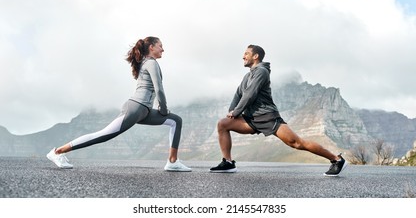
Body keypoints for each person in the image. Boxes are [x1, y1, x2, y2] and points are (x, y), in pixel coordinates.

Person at [47, 36, 191, 172]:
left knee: (176, 120)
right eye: (160, 46)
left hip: (144, 110)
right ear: (151, 47)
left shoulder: (147, 63)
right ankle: (57, 152)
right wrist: (164, 109)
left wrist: (162, 110)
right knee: (103, 135)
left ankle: (172, 162)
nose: (163, 49)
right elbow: (158, 88)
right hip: (135, 108)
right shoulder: (151, 63)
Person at [209, 44, 347, 176]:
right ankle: (228, 162)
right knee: (223, 124)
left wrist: (236, 112)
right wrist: (232, 111)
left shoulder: (262, 72)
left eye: (246, 53)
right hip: (251, 118)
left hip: (267, 117)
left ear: (256, 56)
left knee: (297, 143)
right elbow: (239, 94)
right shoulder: (247, 76)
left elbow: (250, 94)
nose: (243, 56)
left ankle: (337, 159)